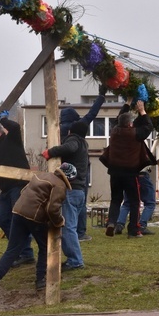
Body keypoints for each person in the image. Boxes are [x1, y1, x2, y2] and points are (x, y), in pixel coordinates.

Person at [0, 163, 75, 305]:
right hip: (34, 217)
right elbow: (52, 209)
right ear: (69, 178)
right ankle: (40, 280)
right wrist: (59, 222)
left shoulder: (40, 175)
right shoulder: (60, 186)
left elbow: (24, 191)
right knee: (44, 248)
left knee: (12, 250)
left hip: (18, 211)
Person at [0, 111, 34, 267]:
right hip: (6, 191)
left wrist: (3, 119)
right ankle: (22, 250)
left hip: (19, 186)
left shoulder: (12, 140)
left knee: (19, 220)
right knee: (2, 219)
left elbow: (16, 126)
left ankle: (25, 253)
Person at [59, 84, 107, 242]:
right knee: (80, 200)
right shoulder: (77, 126)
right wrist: (101, 96)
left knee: (63, 201)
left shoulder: (57, 129)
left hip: (61, 169)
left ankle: (62, 227)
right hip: (80, 169)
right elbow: (92, 113)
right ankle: (80, 232)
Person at [102, 99, 154, 238]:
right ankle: (133, 230)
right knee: (135, 201)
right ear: (130, 124)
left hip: (114, 172)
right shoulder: (135, 134)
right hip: (131, 173)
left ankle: (112, 222)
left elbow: (118, 119)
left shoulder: (114, 131)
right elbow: (148, 127)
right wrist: (142, 111)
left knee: (116, 199)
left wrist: (126, 104)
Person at [41, 120, 89, 271]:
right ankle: (73, 259)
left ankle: (75, 261)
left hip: (71, 190)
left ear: (70, 132)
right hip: (79, 191)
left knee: (68, 227)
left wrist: (50, 152)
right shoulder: (84, 145)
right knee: (69, 226)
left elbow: (69, 147)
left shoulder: (74, 140)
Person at [113, 164, 156, 235]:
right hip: (142, 173)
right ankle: (142, 225)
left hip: (129, 174)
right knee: (150, 203)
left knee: (127, 203)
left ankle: (119, 224)